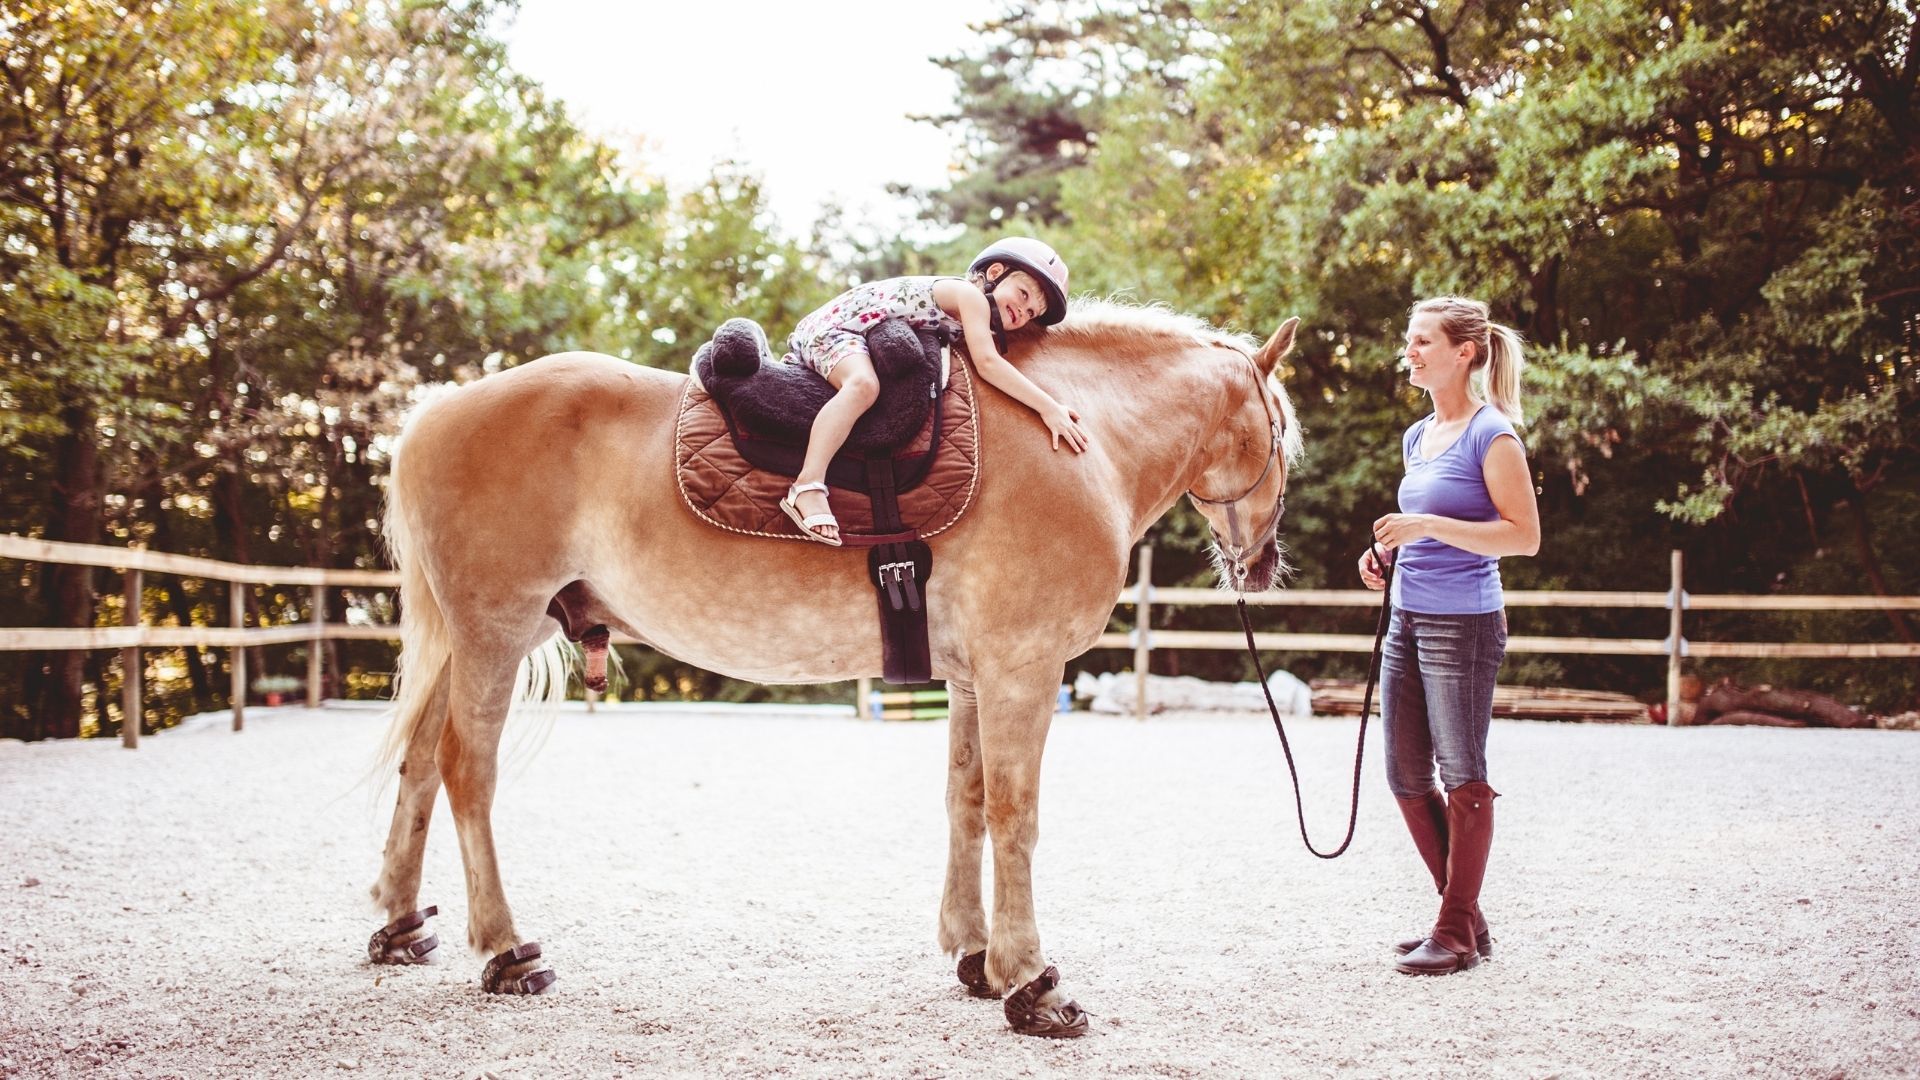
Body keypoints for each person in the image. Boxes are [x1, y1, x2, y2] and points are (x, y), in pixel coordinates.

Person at [1357, 296, 1541, 976]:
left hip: (1463, 622)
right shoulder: (1420, 435)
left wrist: (1429, 529)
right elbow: (1420, 529)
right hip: (1407, 616)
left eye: (1423, 341)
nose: (1410, 352)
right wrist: (1384, 559)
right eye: (1409, 340)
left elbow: (1523, 537)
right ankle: (1463, 917)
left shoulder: (1492, 435)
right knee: (1405, 774)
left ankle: (1456, 928)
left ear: (1464, 352)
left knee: (1462, 775)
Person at [778, 237, 1088, 545]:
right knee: (863, 386)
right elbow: (988, 365)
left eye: (1032, 312)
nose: (1023, 311)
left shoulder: (974, 317)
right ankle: (808, 485)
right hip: (837, 329)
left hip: (857, 335)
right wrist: (1048, 407)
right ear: (995, 273)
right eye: (1023, 295)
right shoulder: (971, 297)